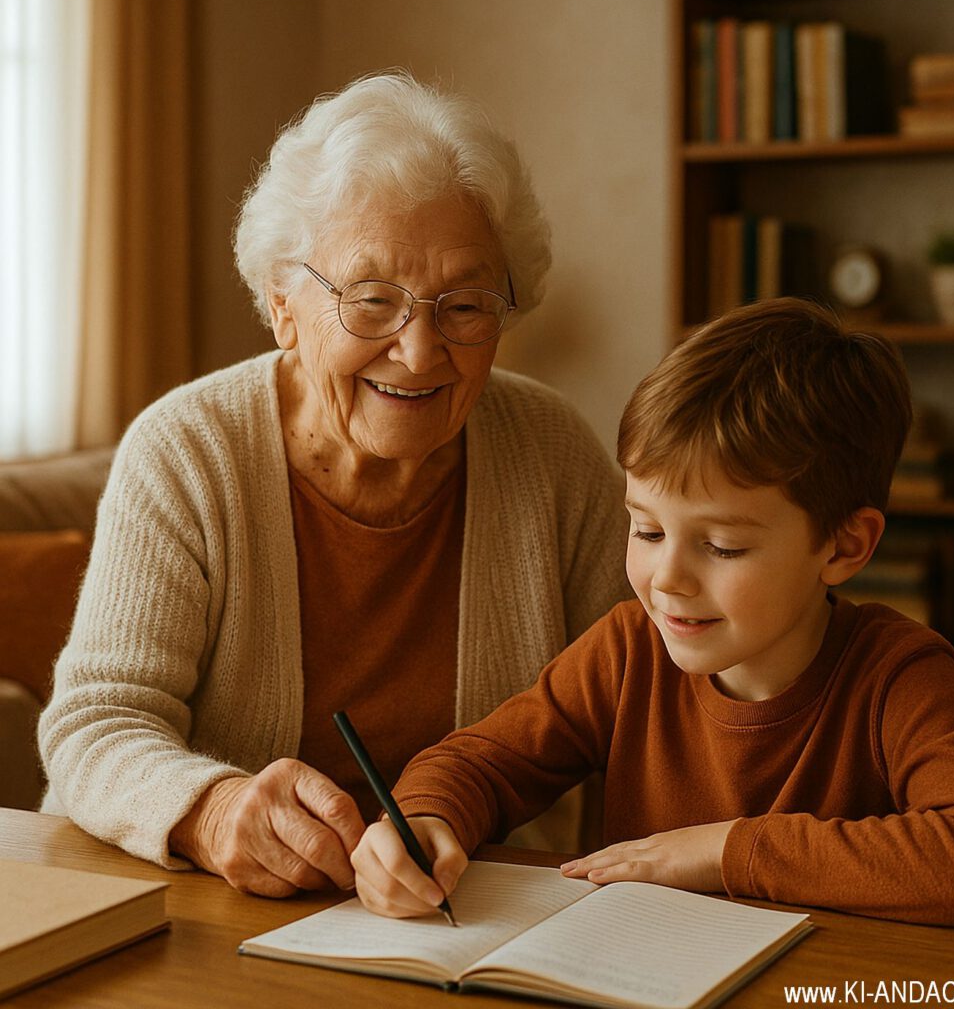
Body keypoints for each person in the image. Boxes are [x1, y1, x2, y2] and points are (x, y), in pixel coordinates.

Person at [37, 72, 630, 897]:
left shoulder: (553, 453)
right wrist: (213, 810)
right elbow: (97, 723)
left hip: (483, 912)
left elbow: (646, 703)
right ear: (283, 306)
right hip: (221, 906)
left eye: (464, 305)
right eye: (372, 300)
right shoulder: (188, 453)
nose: (419, 351)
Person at [350, 297, 954, 928]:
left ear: (844, 546)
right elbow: (481, 762)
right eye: (647, 531)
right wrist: (425, 819)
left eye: (722, 546)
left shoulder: (898, 674)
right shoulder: (627, 651)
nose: (667, 578)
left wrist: (726, 851)